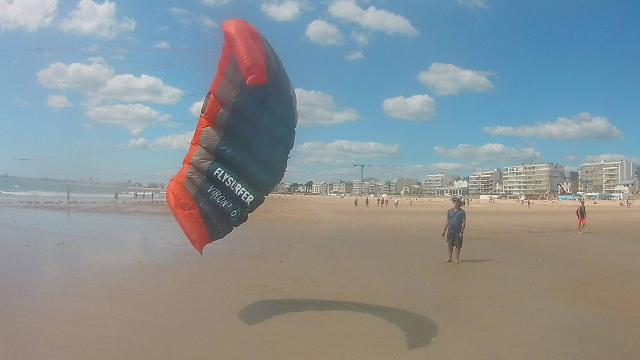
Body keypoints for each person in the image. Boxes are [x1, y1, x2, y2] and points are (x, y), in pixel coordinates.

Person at [442, 197, 466, 263]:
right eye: (454, 201)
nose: (455, 203)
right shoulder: (450, 211)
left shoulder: (462, 212)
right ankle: (450, 258)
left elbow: (464, 222)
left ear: (459, 203)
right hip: (450, 230)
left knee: (458, 245)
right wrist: (444, 230)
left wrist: (462, 232)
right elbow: (447, 221)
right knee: (450, 245)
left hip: (458, 231)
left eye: (457, 201)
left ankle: (457, 259)